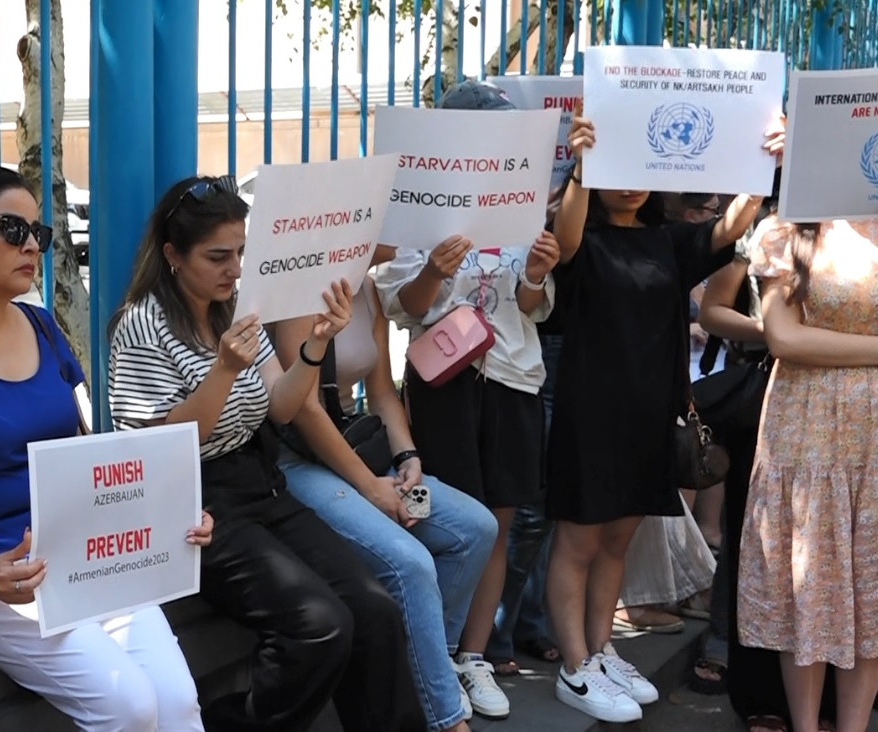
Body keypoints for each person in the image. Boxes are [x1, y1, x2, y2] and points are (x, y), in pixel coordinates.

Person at [0, 164, 210, 732]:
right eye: (10, 229)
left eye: (39, 234)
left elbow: (83, 458)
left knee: (175, 703)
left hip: (82, 553)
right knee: (128, 706)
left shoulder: (43, 326)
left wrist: (166, 514)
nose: (31, 245)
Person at [108, 175, 424, 731]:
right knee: (320, 624)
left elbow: (280, 406)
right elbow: (162, 448)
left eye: (242, 253)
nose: (235, 269)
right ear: (173, 256)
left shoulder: (234, 309)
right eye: (218, 257)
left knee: (372, 607)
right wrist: (224, 371)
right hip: (192, 501)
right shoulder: (143, 324)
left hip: (258, 481)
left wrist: (315, 345)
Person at [545, 110, 782, 723]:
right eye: (615, 172)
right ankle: (574, 666)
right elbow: (566, 242)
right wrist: (582, 167)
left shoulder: (667, 239)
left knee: (619, 539)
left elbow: (728, 228)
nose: (629, 183)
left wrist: (763, 166)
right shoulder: (580, 237)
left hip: (651, 414)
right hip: (590, 413)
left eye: (638, 170)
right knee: (579, 540)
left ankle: (601, 651)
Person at [374, 79, 561, 721]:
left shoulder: (521, 204)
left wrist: (536, 273)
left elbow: (532, 307)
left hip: (511, 379)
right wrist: (435, 268)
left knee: (499, 522)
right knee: (437, 518)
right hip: (442, 386)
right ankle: (433, 649)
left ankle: (472, 656)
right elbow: (409, 307)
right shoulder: (417, 207)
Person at [273, 243, 500, 732]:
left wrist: (408, 458)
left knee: (476, 527)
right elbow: (305, 412)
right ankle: (446, 719)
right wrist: (372, 489)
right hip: (301, 463)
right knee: (410, 561)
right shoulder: (295, 288)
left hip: (362, 451)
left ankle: (427, 669)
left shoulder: (368, 288)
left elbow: (381, 393)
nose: (398, 236)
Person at [738, 214, 878, 732]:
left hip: (871, 433)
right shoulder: (788, 227)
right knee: (808, 579)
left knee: (872, 585)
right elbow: (784, 338)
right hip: (807, 426)